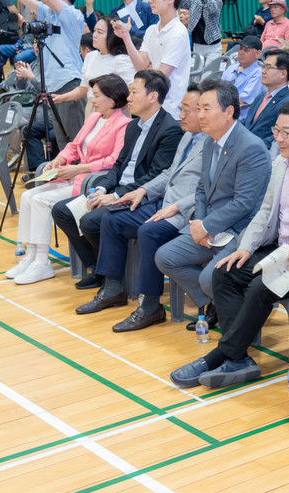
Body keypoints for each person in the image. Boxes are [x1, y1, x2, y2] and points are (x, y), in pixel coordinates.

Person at [170, 101, 289, 387]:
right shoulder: (280, 165)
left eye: (287, 132)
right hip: (277, 251)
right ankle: (238, 358)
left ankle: (223, 356)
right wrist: (245, 248)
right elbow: (264, 213)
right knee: (223, 272)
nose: (279, 138)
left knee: (261, 288)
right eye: (277, 130)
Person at [74, 86, 205, 324]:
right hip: (162, 201)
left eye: (186, 110)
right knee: (112, 219)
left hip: (186, 212)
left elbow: (207, 190)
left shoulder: (211, 143)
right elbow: (168, 173)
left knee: (148, 232)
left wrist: (176, 206)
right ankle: (113, 288)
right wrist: (142, 191)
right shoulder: (188, 136)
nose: (181, 115)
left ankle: (151, 306)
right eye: (181, 109)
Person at [153, 80, 272, 332]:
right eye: (198, 108)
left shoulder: (251, 147)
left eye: (206, 109)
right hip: (211, 226)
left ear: (228, 112)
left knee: (210, 279)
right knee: (165, 257)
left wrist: (208, 225)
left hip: (239, 230)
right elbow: (200, 189)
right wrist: (200, 225)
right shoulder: (209, 141)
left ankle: (240, 323)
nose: (199, 115)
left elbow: (245, 202)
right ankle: (222, 304)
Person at [51, 70, 184, 287]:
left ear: (153, 97)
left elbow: (155, 176)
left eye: (133, 92)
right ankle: (99, 268)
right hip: (116, 189)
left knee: (91, 220)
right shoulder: (134, 125)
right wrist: (103, 190)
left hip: (138, 196)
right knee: (62, 211)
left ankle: (112, 276)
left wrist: (115, 195)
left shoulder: (169, 130)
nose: (128, 98)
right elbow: (118, 165)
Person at [9, 76, 133, 285]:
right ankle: (30, 256)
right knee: (28, 196)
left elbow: (113, 161)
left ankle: (42, 262)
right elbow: (74, 145)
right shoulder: (94, 117)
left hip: (91, 181)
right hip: (74, 173)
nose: (92, 99)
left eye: (97, 96)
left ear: (112, 100)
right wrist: (59, 159)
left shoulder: (124, 124)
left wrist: (78, 168)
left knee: (40, 201)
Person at [0, 0, 86, 146]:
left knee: (75, 142)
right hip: (52, 87)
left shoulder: (72, 16)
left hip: (69, 84)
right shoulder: (48, 13)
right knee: (62, 143)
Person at [114, 0, 192, 119]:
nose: (150, 1)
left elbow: (161, 75)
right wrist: (125, 36)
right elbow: (140, 65)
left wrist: (148, 70)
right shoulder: (151, 30)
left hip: (170, 106)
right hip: (152, 104)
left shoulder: (177, 32)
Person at [50, 15, 137, 112]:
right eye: (94, 30)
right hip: (91, 107)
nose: (94, 35)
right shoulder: (90, 56)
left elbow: (131, 90)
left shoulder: (122, 60)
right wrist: (62, 97)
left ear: (113, 36)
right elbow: (84, 88)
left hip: (114, 111)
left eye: (100, 32)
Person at [242, 49, 289, 147]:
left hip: (261, 152)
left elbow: (279, 136)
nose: (263, 71)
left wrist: (253, 146)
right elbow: (247, 122)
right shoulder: (261, 97)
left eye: (268, 67)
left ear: (283, 74)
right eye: (263, 66)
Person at [180, 0, 223, 67]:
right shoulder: (194, 1)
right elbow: (180, 1)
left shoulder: (217, 1)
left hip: (213, 47)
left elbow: (210, 7)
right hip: (197, 45)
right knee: (196, 78)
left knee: (208, 77)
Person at [221, 35, 264, 106]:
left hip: (239, 114)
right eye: (240, 49)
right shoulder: (231, 68)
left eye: (246, 50)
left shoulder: (258, 74)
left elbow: (241, 100)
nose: (241, 52)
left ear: (257, 54)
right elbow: (219, 89)